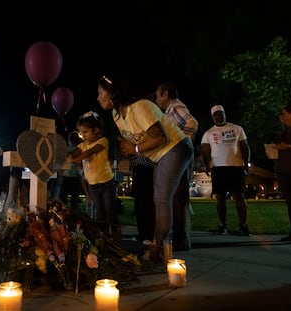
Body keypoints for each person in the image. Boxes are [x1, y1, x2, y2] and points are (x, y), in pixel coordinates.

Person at [97, 75, 194, 265]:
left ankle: (157, 250)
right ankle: (159, 244)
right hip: (159, 155)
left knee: (161, 199)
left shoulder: (140, 107)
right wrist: (129, 146)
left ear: (113, 95)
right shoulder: (116, 115)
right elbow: (137, 139)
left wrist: (134, 148)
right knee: (158, 199)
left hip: (176, 148)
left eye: (100, 93)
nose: (98, 97)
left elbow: (161, 138)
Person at [155, 81, 198, 250]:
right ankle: (180, 238)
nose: (157, 100)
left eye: (158, 95)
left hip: (178, 159)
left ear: (166, 94)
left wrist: (182, 143)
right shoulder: (170, 110)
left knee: (178, 198)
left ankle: (181, 240)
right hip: (177, 157)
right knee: (175, 199)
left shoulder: (175, 107)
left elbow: (192, 123)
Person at [67, 111, 121, 242]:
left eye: (85, 132)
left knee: (110, 211)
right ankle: (104, 237)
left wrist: (75, 160)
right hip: (93, 185)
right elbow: (77, 151)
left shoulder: (103, 141)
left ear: (96, 130)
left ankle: (117, 237)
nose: (83, 135)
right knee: (100, 213)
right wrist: (70, 155)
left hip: (107, 183)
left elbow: (90, 152)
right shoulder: (83, 144)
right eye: (81, 133)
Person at [201, 104, 251, 236]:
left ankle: (243, 225)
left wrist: (246, 164)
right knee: (220, 198)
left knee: (239, 196)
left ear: (224, 114)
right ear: (212, 117)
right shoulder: (208, 133)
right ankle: (222, 225)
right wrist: (207, 166)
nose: (218, 116)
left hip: (236, 166)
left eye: (220, 114)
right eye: (215, 114)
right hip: (218, 168)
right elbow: (205, 151)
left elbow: (244, 147)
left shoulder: (237, 128)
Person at [273, 104, 291, 243]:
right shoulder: (284, 131)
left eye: (283, 113)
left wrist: (289, 146)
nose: (281, 116)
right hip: (284, 170)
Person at [59, 131, 84, 211]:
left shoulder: (66, 149)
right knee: (74, 198)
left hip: (66, 177)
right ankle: (74, 215)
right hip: (76, 177)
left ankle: (63, 213)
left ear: (69, 140)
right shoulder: (80, 150)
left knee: (63, 198)